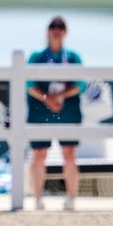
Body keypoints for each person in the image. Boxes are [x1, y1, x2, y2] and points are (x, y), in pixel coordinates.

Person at [26, 16, 85, 210]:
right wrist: (47, 99)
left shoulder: (73, 57)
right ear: (47, 30)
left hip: (67, 110)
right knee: (39, 154)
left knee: (69, 153)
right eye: (53, 26)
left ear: (65, 32)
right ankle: (38, 198)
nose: (56, 30)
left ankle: (71, 199)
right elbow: (28, 85)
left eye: (60, 27)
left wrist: (60, 96)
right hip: (41, 111)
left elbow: (79, 84)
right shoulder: (37, 57)